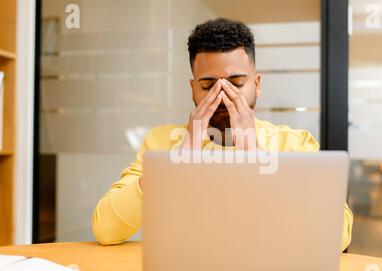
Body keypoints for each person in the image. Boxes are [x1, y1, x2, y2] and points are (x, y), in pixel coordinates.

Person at [92, 18, 353, 251]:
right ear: (192, 89)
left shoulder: (294, 144)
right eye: (208, 86)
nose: (222, 97)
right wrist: (175, 164)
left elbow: (337, 235)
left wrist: (257, 159)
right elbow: (106, 229)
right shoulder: (161, 142)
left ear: (257, 85)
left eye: (237, 84)